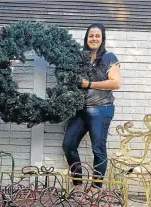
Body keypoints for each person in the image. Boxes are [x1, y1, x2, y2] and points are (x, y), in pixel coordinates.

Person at [62, 23, 122, 197]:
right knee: (69, 145)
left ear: (102, 38)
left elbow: (116, 83)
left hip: (101, 110)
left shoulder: (109, 57)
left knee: (98, 149)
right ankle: (78, 184)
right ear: (86, 38)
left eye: (97, 36)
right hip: (81, 110)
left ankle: (96, 188)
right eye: (91, 36)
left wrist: (89, 84)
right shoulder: (81, 57)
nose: (94, 39)